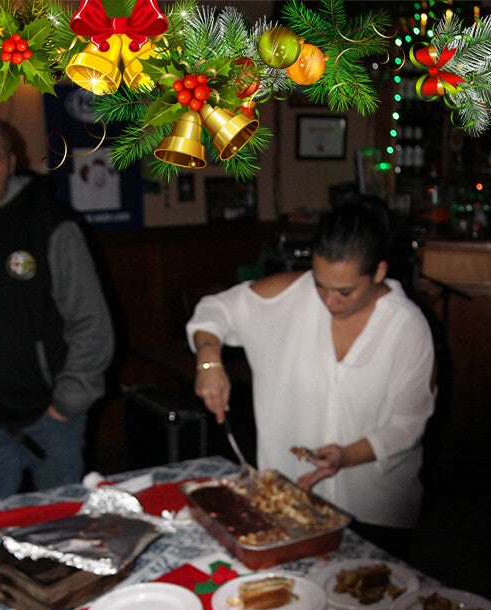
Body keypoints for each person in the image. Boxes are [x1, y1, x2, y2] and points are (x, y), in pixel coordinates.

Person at [186, 196, 436, 557]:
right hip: (288, 503)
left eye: (345, 291)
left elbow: (408, 424)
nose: (329, 301)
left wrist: (346, 456)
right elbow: (214, 310)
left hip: (376, 512)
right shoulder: (291, 295)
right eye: (320, 284)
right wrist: (209, 362)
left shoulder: (407, 328)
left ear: (379, 272)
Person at [0, 115, 114, 505]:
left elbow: (92, 323)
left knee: (63, 525)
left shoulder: (51, 224)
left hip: (53, 421)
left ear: (11, 162)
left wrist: (66, 404)